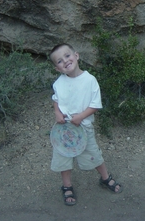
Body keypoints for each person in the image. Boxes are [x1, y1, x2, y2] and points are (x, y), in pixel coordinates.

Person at [48, 43, 123, 206]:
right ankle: (67, 186)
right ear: (57, 68)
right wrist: (57, 112)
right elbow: (56, 99)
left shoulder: (89, 80)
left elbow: (95, 104)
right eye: (59, 61)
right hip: (63, 130)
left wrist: (81, 116)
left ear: (76, 55)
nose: (65, 61)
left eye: (67, 56)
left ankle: (105, 178)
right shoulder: (59, 83)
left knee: (93, 153)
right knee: (63, 157)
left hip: (83, 128)